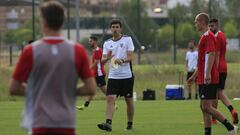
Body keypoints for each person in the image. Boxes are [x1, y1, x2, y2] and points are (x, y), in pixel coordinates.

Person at [9, 1, 96, 135]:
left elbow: (14, 88)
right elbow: (90, 88)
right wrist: (65, 91)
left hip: (39, 122)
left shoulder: (31, 51)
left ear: (43, 21)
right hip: (66, 123)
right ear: (63, 22)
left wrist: (40, 91)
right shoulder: (77, 50)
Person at [188, 13, 237, 135]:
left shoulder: (208, 36)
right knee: (203, 107)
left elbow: (212, 54)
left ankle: (230, 127)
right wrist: (194, 76)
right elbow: (202, 61)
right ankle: (207, 132)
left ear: (202, 22)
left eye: (196, 22)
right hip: (203, 78)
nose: (195, 24)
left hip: (208, 78)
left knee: (206, 107)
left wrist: (208, 74)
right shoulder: (204, 37)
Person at [97, 19, 135, 132]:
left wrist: (122, 60)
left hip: (126, 76)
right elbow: (102, 61)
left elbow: (130, 57)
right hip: (113, 76)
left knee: (128, 100)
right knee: (110, 98)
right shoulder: (107, 43)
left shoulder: (127, 39)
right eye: (113, 27)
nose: (115, 29)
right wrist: (108, 57)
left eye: (117, 27)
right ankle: (108, 124)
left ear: (121, 28)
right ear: (110, 29)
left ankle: (129, 123)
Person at [209, 18, 239, 125]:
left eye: (212, 26)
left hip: (218, 68)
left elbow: (216, 54)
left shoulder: (216, 37)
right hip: (224, 66)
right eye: (209, 26)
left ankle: (213, 119)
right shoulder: (223, 35)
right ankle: (233, 111)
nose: (210, 28)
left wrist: (215, 70)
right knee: (219, 93)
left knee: (215, 93)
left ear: (217, 25)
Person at [76, 36, 107, 110]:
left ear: (95, 41)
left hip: (99, 74)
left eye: (91, 41)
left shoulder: (98, 50)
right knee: (91, 90)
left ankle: (113, 103)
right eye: (89, 41)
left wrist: (87, 70)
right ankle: (84, 106)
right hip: (95, 73)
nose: (89, 42)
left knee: (104, 90)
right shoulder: (95, 51)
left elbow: (96, 63)